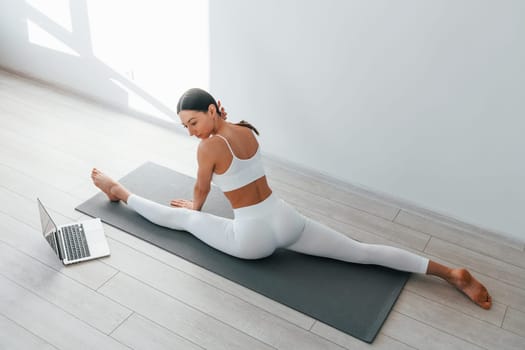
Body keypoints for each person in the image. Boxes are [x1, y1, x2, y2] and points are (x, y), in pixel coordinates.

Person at [91, 88, 492, 310]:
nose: (192, 132)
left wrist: (196, 208)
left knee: (184, 221)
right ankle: (450, 273)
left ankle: (120, 191)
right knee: (361, 251)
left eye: (194, 122)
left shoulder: (209, 147)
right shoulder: (246, 130)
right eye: (186, 126)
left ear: (212, 110)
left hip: (252, 239)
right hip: (286, 220)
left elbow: (201, 190)